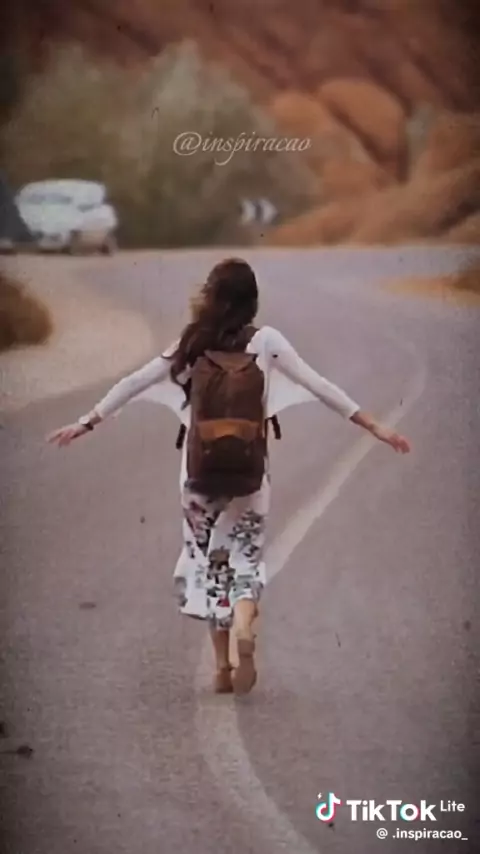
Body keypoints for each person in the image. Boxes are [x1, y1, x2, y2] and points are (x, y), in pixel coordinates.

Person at [47, 258, 410, 696]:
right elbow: (319, 385)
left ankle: (221, 668)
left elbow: (135, 381)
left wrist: (86, 422)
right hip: (250, 474)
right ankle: (243, 621)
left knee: (209, 562)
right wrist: (375, 426)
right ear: (252, 300)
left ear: (211, 296)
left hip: (198, 476)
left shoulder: (192, 342)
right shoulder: (267, 341)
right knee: (245, 558)